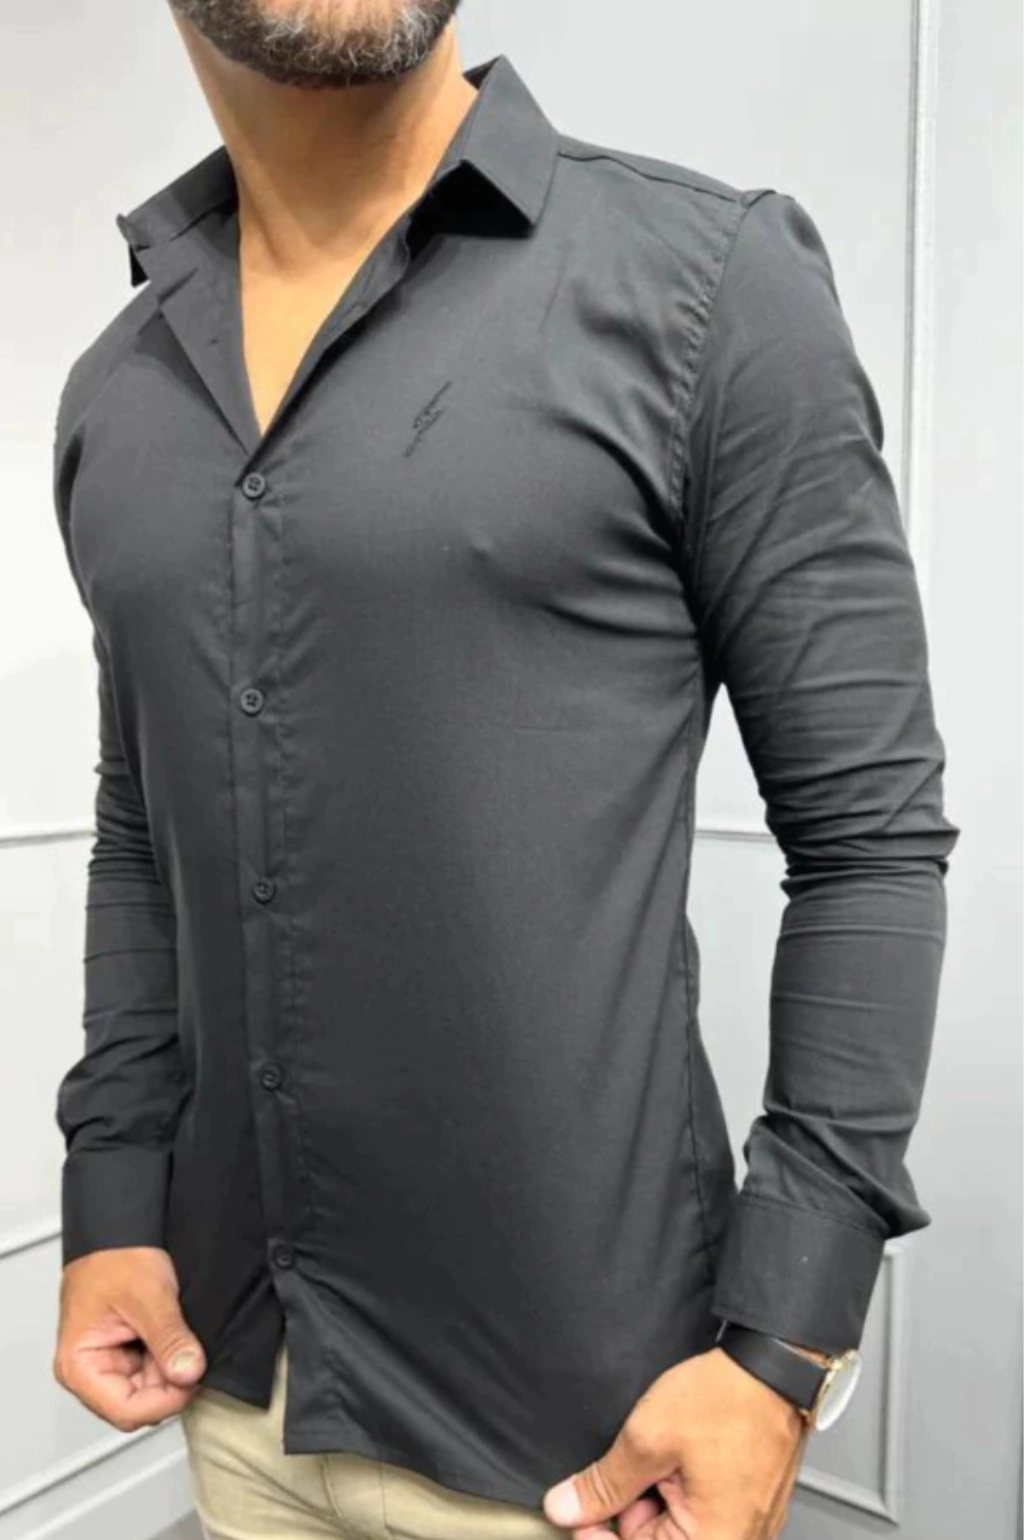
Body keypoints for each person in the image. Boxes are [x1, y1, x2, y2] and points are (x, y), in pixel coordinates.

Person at [49, 4, 960, 1538]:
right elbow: (142, 826)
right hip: (238, 1387)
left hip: (588, 1444)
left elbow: (867, 839)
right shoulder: (114, 390)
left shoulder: (708, 286)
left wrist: (781, 1352)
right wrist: (115, 1201)